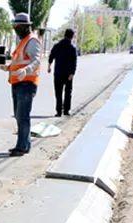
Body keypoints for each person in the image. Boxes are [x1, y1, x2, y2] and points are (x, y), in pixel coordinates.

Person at [5, 13, 42, 156]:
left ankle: (21, 147)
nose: (15, 29)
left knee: (22, 116)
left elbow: (36, 61)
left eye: (17, 26)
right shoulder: (23, 41)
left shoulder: (32, 41)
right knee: (19, 115)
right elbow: (19, 61)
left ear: (25, 27)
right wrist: (8, 67)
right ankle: (24, 145)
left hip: (26, 83)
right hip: (17, 82)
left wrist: (26, 70)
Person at [48, 28, 78, 117]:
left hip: (58, 73)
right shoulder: (72, 48)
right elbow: (74, 62)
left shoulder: (57, 45)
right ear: (72, 37)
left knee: (58, 92)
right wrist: (72, 73)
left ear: (64, 35)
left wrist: (49, 66)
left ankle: (58, 111)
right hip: (68, 74)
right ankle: (66, 110)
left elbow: (51, 56)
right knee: (68, 92)